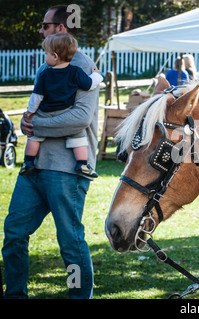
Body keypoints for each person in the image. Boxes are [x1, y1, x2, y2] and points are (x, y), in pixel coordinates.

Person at [2, 4, 99, 299]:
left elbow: (79, 119)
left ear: (61, 28)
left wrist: (37, 124)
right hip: (34, 167)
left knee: (70, 243)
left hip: (68, 169)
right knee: (14, 234)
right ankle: (15, 294)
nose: (41, 30)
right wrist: (25, 120)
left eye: (45, 25)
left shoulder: (83, 67)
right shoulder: (48, 65)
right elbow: (34, 108)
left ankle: (79, 296)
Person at [20, 33, 102, 178]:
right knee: (78, 137)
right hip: (65, 111)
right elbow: (89, 85)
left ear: (55, 56)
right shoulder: (76, 72)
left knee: (34, 136)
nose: (45, 57)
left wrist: (30, 112)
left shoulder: (45, 74)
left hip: (45, 112)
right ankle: (82, 164)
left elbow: (37, 97)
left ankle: (28, 162)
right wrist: (97, 75)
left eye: (46, 53)